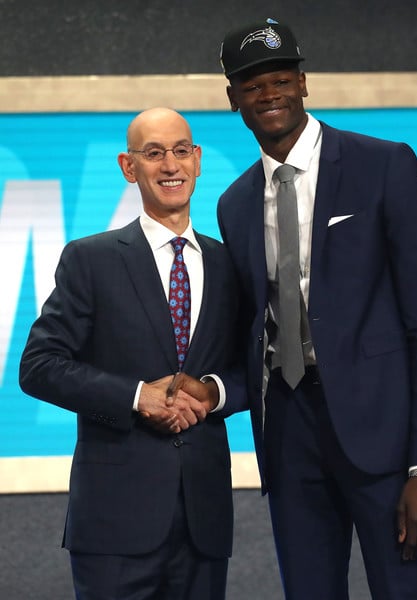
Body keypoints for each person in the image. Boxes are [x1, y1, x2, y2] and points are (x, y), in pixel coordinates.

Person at [217, 18, 417, 600]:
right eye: (252, 86)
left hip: (383, 440)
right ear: (233, 100)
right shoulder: (235, 203)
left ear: (304, 83)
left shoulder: (384, 166)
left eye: (280, 80)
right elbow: (254, 330)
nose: (268, 95)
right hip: (288, 436)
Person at [19, 107, 246, 600]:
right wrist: (136, 396)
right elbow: (38, 367)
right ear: (129, 167)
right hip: (114, 524)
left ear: (198, 160)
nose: (170, 165)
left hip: (203, 523)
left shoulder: (231, 263)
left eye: (181, 151)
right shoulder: (91, 259)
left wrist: (214, 392)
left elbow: (255, 368)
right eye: (154, 153)